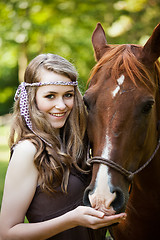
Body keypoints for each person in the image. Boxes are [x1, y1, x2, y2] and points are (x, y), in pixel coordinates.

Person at [0, 53, 126, 240]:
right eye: (50, 96)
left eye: (67, 95)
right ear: (32, 98)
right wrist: (72, 219)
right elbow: (7, 233)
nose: (61, 105)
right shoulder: (29, 151)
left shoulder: (78, 143)